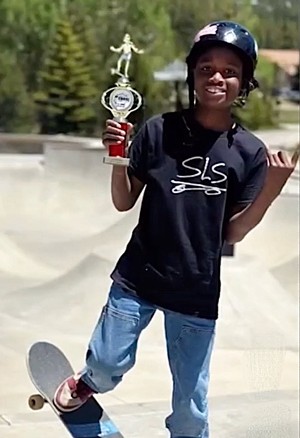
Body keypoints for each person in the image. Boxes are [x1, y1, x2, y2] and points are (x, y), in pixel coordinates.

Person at [54, 21, 298, 437]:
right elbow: (123, 200)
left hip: (197, 289)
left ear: (245, 82)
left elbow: (233, 233)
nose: (217, 77)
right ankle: (89, 380)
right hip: (138, 278)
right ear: (192, 75)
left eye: (230, 70)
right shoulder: (159, 130)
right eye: (206, 68)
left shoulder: (250, 152)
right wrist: (116, 157)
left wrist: (271, 190)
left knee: (191, 411)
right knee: (108, 365)